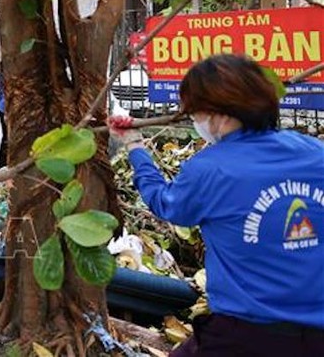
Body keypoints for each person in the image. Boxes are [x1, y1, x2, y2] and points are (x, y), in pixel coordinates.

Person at [108, 54, 324, 356]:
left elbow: (164, 203)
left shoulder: (210, 169)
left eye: (196, 114)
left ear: (219, 115)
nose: (196, 122)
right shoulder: (316, 153)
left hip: (247, 332)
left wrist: (134, 145)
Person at [0, 62, 8, 170]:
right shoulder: (5, 73)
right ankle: (2, 164)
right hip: (5, 109)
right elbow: (4, 92)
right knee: (6, 136)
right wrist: (6, 112)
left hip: (4, 108)